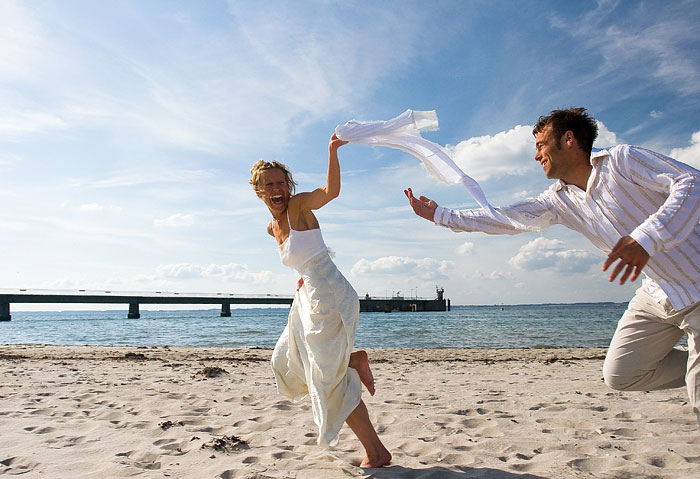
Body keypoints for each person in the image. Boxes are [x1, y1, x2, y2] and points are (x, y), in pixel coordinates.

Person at [405, 107, 700, 426]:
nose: (536, 156)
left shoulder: (622, 161)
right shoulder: (559, 199)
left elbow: (690, 182)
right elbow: (507, 218)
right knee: (621, 375)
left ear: (569, 139)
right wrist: (441, 215)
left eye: (540, 145)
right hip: (658, 293)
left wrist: (647, 237)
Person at [249, 133, 392, 467]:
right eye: (269, 185)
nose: (277, 189)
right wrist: (302, 275)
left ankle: (376, 453)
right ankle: (353, 360)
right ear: (259, 191)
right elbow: (304, 258)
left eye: (282, 183)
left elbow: (330, 192)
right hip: (308, 296)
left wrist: (332, 150)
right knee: (285, 358)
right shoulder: (272, 227)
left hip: (329, 295)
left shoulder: (298, 206)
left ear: (289, 185)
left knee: (328, 380)